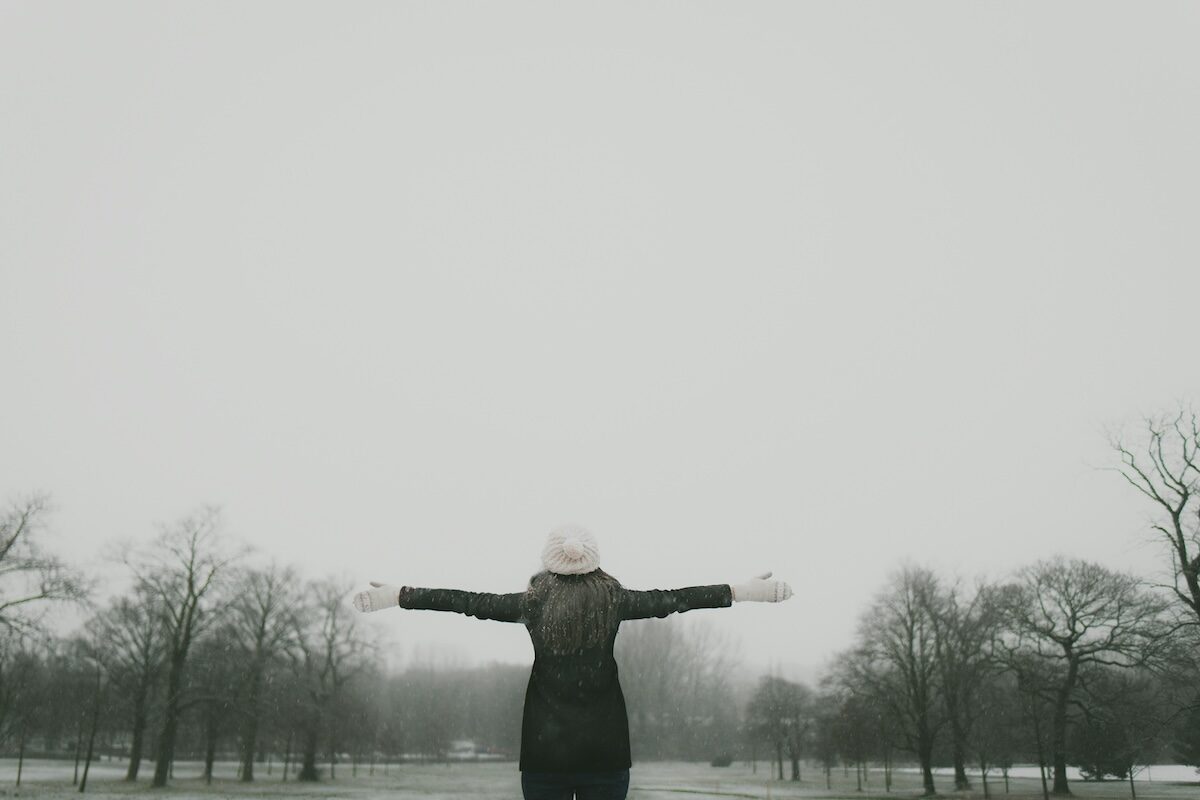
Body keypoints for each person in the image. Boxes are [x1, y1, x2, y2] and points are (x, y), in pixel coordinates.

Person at [352, 524, 792, 800]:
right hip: (607, 752)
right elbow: (675, 601)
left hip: (545, 756)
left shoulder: (533, 603)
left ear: (549, 563)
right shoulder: (614, 599)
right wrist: (741, 590)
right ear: (594, 562)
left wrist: (399, 596)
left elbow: (465, 602)